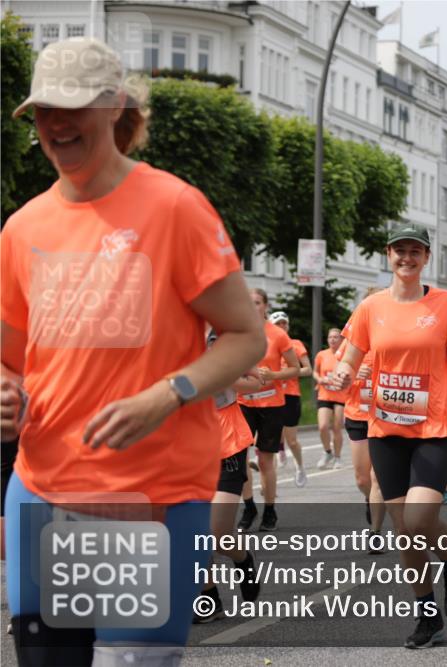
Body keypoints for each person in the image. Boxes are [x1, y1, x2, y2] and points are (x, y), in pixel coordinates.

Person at [0, 37, 266, 665]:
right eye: (43, 110)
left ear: (116, 107)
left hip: (149, 496)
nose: (57, 123)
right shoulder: (21, 228)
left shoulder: (175, 207)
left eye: (74, 105)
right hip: (41, 489)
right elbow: (10, 357)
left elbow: (244, 335)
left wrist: (166, 393)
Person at [329, 225, 447, 649]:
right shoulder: (371, 307)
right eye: (400, 251)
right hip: (385, 431)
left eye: (415, 251)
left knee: (418, 521)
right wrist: (342, 372)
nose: (407, 258)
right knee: (405, 531)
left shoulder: (445, 304)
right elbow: (351, 357)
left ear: (426, 257)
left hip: (432, 429)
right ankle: (427, 615)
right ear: (388, 255)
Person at [194, 329, 263, 623]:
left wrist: (219, 374)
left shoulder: (225, 330)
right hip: (181, 443)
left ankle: (243, 560)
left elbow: (256, 381)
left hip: (225, 438)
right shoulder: (162, 332)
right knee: (191, 531)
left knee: (218, 533)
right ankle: (209, 598)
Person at [237, 289, 300, 533]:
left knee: (265, 460)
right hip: (243, 403)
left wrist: (273, 375)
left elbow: (295, 369)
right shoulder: (237, 332)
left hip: (272, 404)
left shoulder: (278, 335)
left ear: (265, 306)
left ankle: (270, 509)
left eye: (256, 303)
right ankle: (249, 506)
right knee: (239, 458)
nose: (252, 308)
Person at [339, 295, 387, 547]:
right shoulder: (351, 342)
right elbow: (338, 372)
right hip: (357, 413)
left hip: (385, 415)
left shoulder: (392, 337)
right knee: (362, 478)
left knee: (377, 477)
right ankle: (371, 500)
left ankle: (375, 533)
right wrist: (355, 372)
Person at [269, 311, 309, 487]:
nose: (282, 327)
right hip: (271, 395)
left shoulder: (295, 344)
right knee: (268, 437)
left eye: (284, 323)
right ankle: (270, 482)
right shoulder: (267, 344)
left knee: (292, 439)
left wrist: (288, 373)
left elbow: (307, 369)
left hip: (291, 395)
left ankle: (300, 467)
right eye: (278, 324)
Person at [313, 327, 346, 470]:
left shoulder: (345, 356)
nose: (332, 339)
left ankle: (338, 457)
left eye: (336, 337)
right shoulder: (322, 355)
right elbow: (315, 372)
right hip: (325, 394)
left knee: (337, 428)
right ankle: (328, 452)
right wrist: (320, 379)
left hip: (341, 396)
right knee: (322, 426)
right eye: (330, 337)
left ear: (342, 339)